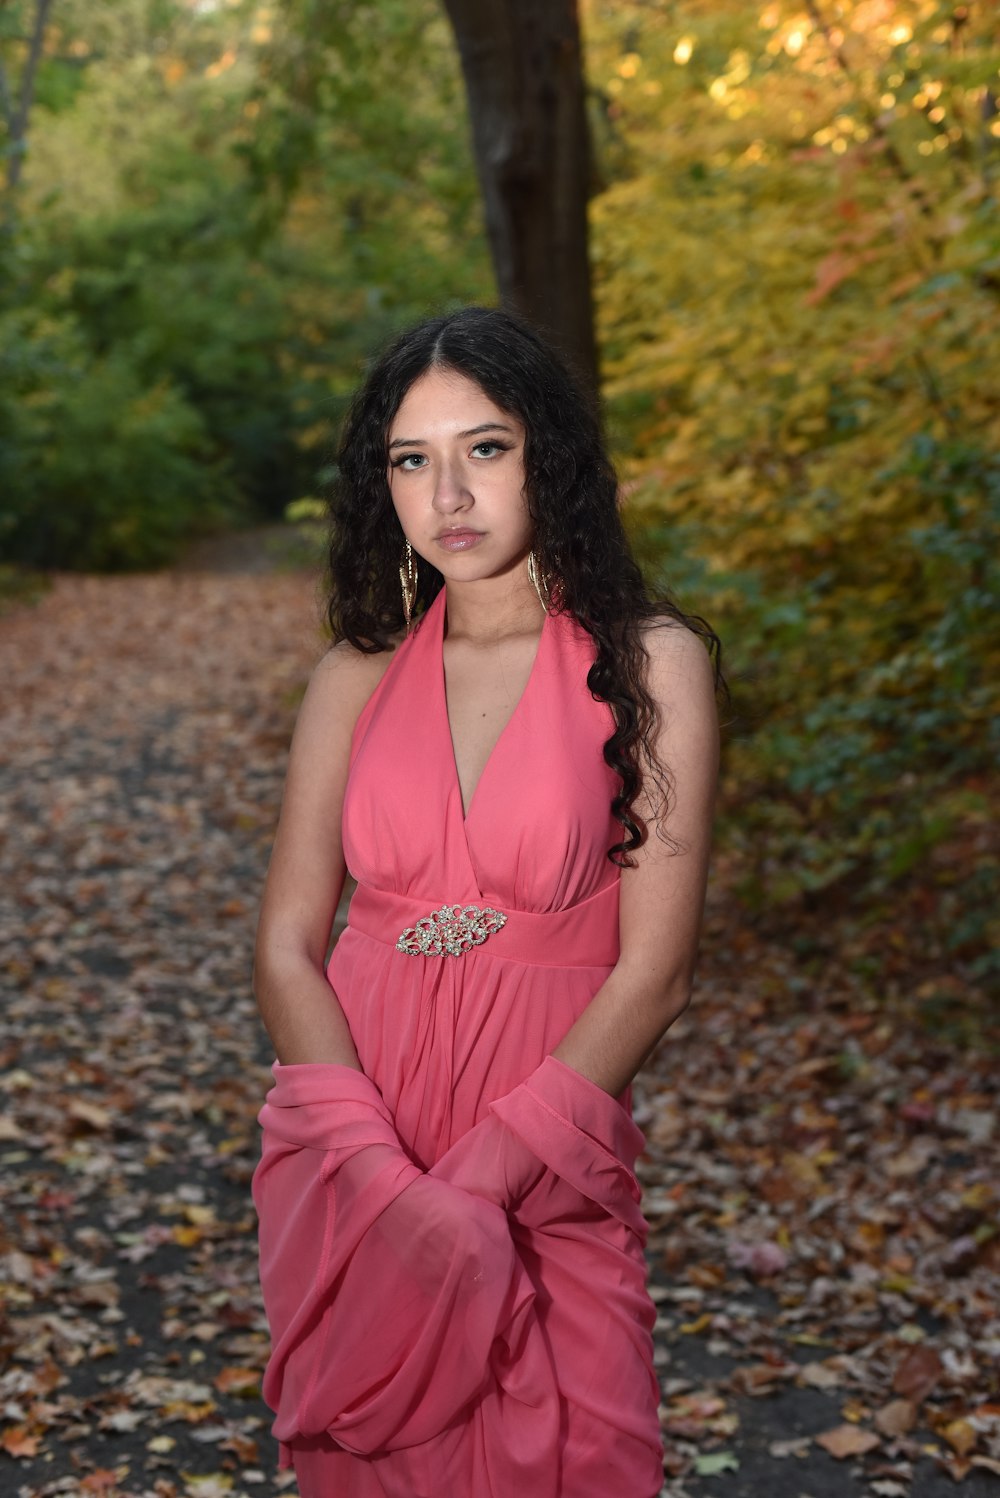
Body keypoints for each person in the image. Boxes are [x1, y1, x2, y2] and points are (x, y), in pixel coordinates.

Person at [251, 305, 720, 1498]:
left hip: (543, 1153)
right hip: (362, 1146)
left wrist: (473, 1187)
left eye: (485, 448)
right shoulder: (352, 677)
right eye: (411, 460)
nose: (447, 492)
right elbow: (286, 947)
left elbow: (654, 972)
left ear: (546, 455)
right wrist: (372, 1174)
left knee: (579, 1456)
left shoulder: (650, 661)